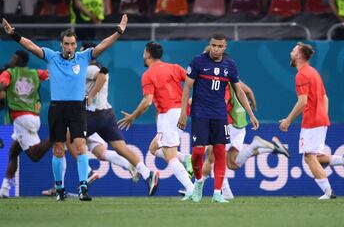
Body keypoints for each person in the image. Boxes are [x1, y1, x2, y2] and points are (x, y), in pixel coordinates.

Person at [1, 14, 128, 201]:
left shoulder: (83, 57)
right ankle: (60, 189)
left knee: (81, 146)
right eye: (66, 44)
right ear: (61, 44)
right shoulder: (51, 57)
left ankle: (83, 187)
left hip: (77, 109)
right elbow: (31, 46)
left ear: (76, 45)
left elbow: (102, 45)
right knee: (58, 148)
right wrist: (14, 34)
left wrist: (118, 32)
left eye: (72, 44)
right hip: (57, 108)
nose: (69, 47)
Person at [177, 33, 260, 203]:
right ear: (210, 45)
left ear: (225, 47)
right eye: (213, 45)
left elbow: (239, 91)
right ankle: (199, 182)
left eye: (219, 46)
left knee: (220, 152)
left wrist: (251, 114)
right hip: (200, 113)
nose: (216, 49)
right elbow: (187, 88)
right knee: (198, 152)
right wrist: (183, 113)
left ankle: (217, 193)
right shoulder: (198, 61)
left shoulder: (230, 65)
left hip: (219, 115)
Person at [279, 42, 344, 200]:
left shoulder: (301, 74)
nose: (291, 53)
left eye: (294, 50)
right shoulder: (313, 72)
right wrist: (322, 115)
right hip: (320, 119)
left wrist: (288, 121)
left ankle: (329, 193)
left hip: (312, 121)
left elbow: (302, 102)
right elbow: (325, 98)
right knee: (317, 156)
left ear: (300, 55)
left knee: (309, 157)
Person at [82, 42, 159, 196]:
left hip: (91, 115)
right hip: (107, 114)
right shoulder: (95, 67)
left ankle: (88, 172)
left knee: (68, 138)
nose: (80, 54)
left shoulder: (89, 69)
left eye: (82, 51)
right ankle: (147, 174)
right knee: (119, 149)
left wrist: (90, 96)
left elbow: (101, 77)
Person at [118, 41, 194, 198]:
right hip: (181, 113)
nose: (143, 55)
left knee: (169, 155)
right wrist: (190, 102)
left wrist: (133, 116)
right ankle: (187, 159)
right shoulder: (174, 67)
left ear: (147, 54)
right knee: (153, 149)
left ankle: (192, 190)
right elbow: (192, 82)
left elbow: (147, 101)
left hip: (168, 114)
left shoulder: (148, 75)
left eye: (144, 52)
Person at [202, 82, 290, 200]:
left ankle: (195, 188)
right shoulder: (235, 81)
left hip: (228, 124)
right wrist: (253, 104)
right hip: (240, 126)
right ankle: (262, 146)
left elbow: (222, 104)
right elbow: (248, 91)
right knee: (232, 163)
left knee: (212, 156)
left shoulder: (222, 83)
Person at [0, 50, 52, 198]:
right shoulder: (35, 73)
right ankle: (5, 188)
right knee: (13, 152)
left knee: (34, 155)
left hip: (21, 118)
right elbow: (50, 74)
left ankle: (56, 135)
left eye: (13, 57)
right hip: (33, 116)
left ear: (19, 59)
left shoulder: (10, 73)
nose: (11, 59)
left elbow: (2, 85)